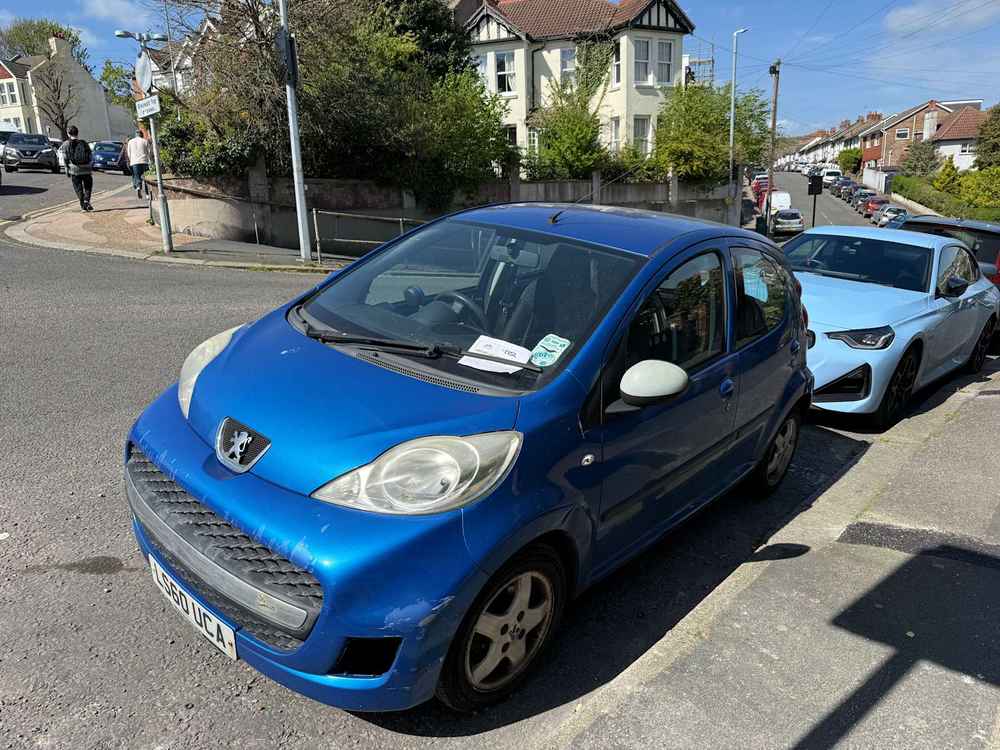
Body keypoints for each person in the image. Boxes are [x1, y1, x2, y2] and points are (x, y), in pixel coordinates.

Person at [60, 126, 93, 212]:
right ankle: (86, 201)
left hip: (74, 170)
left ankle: (83, 205)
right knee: (88, 186)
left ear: (68, 133)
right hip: (86, 168)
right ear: (77, 133)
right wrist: (90, 165)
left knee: (78, 188)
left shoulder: (65, 144)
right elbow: (90, 155)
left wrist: (67, 170)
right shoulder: (84, 143)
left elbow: (65, 158)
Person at [125, 129, 151, 199]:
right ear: (141, 134)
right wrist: (150, 161)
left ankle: (138, 187)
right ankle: (147, 194)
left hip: (134, 162)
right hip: (144, 161)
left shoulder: (130, 142)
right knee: (146, 177)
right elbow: (149, 152)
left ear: (135, 135)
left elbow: (129, 153)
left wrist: (131, 160)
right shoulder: (145, 141)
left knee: (137, 176)